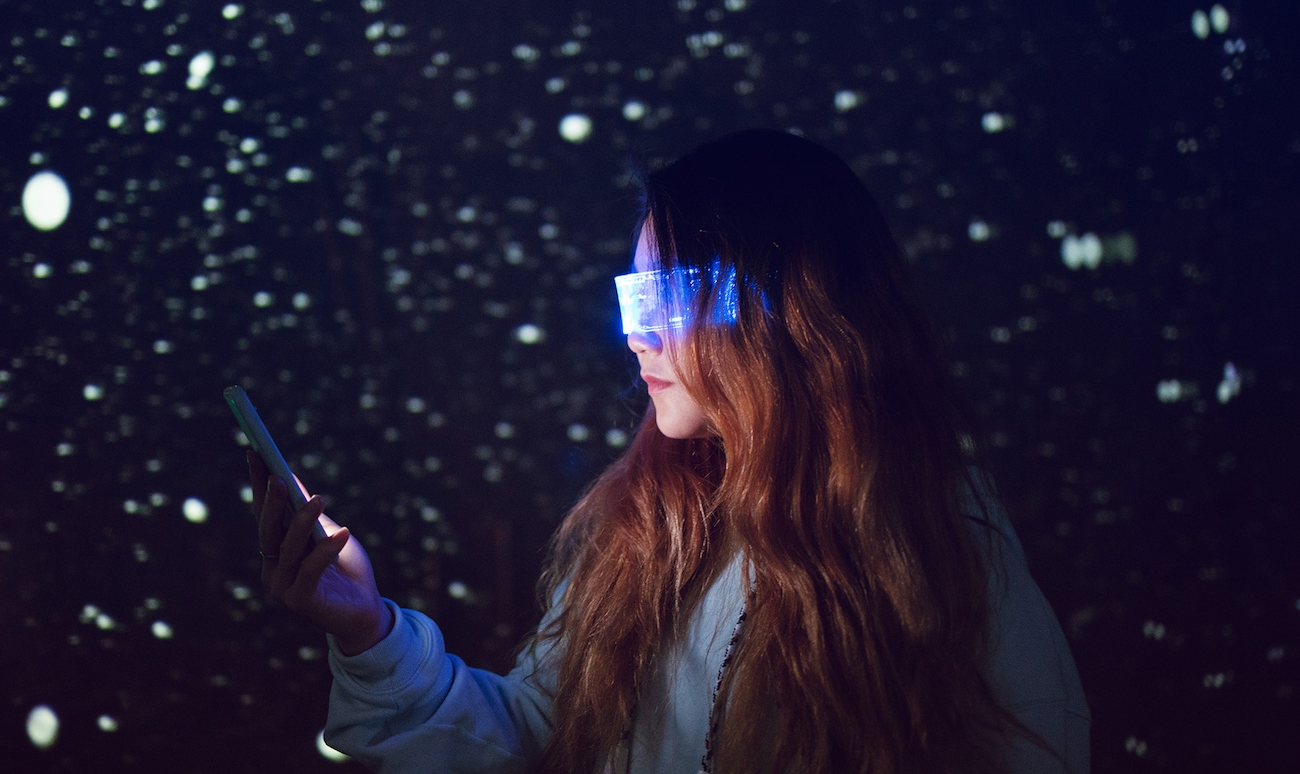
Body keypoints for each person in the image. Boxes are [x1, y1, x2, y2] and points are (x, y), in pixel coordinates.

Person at [247, 129, 1090, 773]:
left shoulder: (937, 541)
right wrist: (369, 631)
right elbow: (535, 740)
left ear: (782, 311)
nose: (637, 336)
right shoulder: (650, 525)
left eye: (667, 295)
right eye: (631, 296)